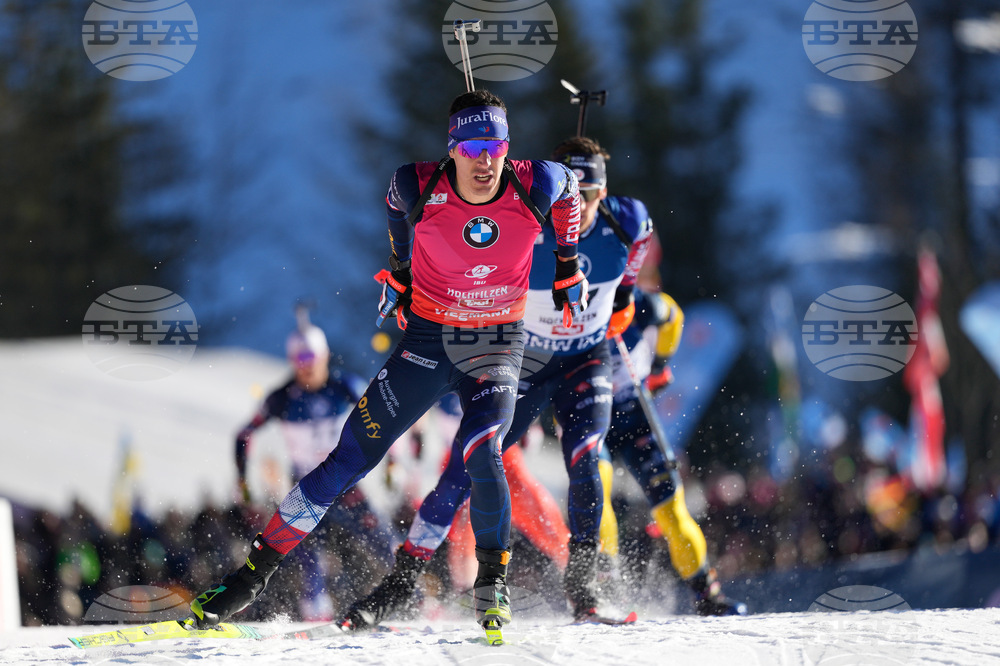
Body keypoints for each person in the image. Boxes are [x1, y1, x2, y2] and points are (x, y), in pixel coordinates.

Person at [185, 89, 587, 635]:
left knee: (482, 449)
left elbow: (570, 195)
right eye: (472, 145)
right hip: (427, 342)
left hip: (495, 340)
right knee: (347, 459)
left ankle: (492, 583)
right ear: (453, 150)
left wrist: (566, 263)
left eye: (494, 143)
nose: (485, 159)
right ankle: (250, 577)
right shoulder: (416, 184)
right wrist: (399, 269)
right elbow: (398, 211)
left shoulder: (536, 182)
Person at [339, 136, 653, 627]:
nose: (585, 205)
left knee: (586, 455)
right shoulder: (530, 225)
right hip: (524, 358)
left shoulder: (628, 220)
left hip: (585, 360)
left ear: (604, 190)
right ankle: (403, 582)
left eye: (593, 193)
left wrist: (625, 300)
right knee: (466, 465)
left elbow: (633, 264)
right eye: (577, 194)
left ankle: (584, 585)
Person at [231, 316, 394, 620]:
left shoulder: (344, 385)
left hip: (345, 484)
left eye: (312, 358)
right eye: (299, 359)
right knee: (306, 556)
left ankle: (409, 596)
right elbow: (243, 435)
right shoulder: (282, 398)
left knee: (381, 540)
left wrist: (392, 463)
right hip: (306, 486)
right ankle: (316, 610)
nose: (306, 366)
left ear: (325, 356)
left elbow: (386, 416)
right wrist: (242, 482)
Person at [601, 289, 748, 615]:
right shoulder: (569, 297)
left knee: (671, 509)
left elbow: (672, 315)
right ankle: (603, 587)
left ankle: (708, 595)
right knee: (596, 492)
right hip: (591, 414)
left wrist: (660, 366)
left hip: (635, 414)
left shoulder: (632, 299)